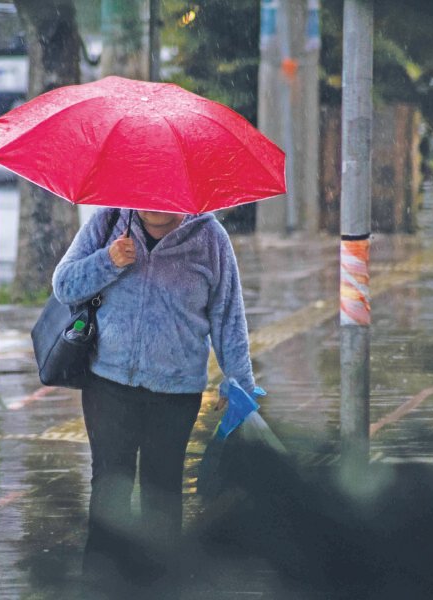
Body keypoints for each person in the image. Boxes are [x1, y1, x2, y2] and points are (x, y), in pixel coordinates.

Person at [52, 208, 256, 597]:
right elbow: (64, 285)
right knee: (109, 486)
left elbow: (228, 316)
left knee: (161, 492)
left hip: (176, 391)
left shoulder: (210, 238)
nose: (154, 205)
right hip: (109, 382)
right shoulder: (109, 221)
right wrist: (108, 261)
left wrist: (239, 384)